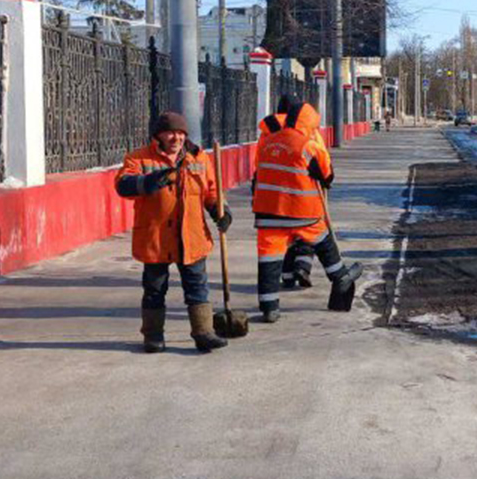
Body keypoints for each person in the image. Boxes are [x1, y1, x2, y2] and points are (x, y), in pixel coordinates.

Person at [114, 112, 231, 353]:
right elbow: (122, 185)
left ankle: (203, 332)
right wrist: (148, 182)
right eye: (170, 132)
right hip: (156, 236)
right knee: (155, 289)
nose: (176, 137)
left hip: (192, 235)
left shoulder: (198, 157)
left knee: (198, 286)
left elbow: (210, 190)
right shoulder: (139, 158)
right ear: (158, 135)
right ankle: (153, 336)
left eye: (180, 133)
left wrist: (220, 211)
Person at [252, 101, 362, 323]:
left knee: (269, 260)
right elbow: (327, 174)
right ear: (309, 123)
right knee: (324, 241)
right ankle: (339, 277)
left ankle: (269, 307)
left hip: (267, 212)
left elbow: (258, 171)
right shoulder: (307, 145)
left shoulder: (266, 142)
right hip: (302, 211)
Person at [258, 95, 317, 290]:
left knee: (280, 234)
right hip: (302, 186)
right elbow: (318, 154)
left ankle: (287, 274)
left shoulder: (268, 129)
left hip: (270, 188)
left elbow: (259, 157)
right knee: (306, 229)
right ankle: (302, 265)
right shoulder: (304, 130)